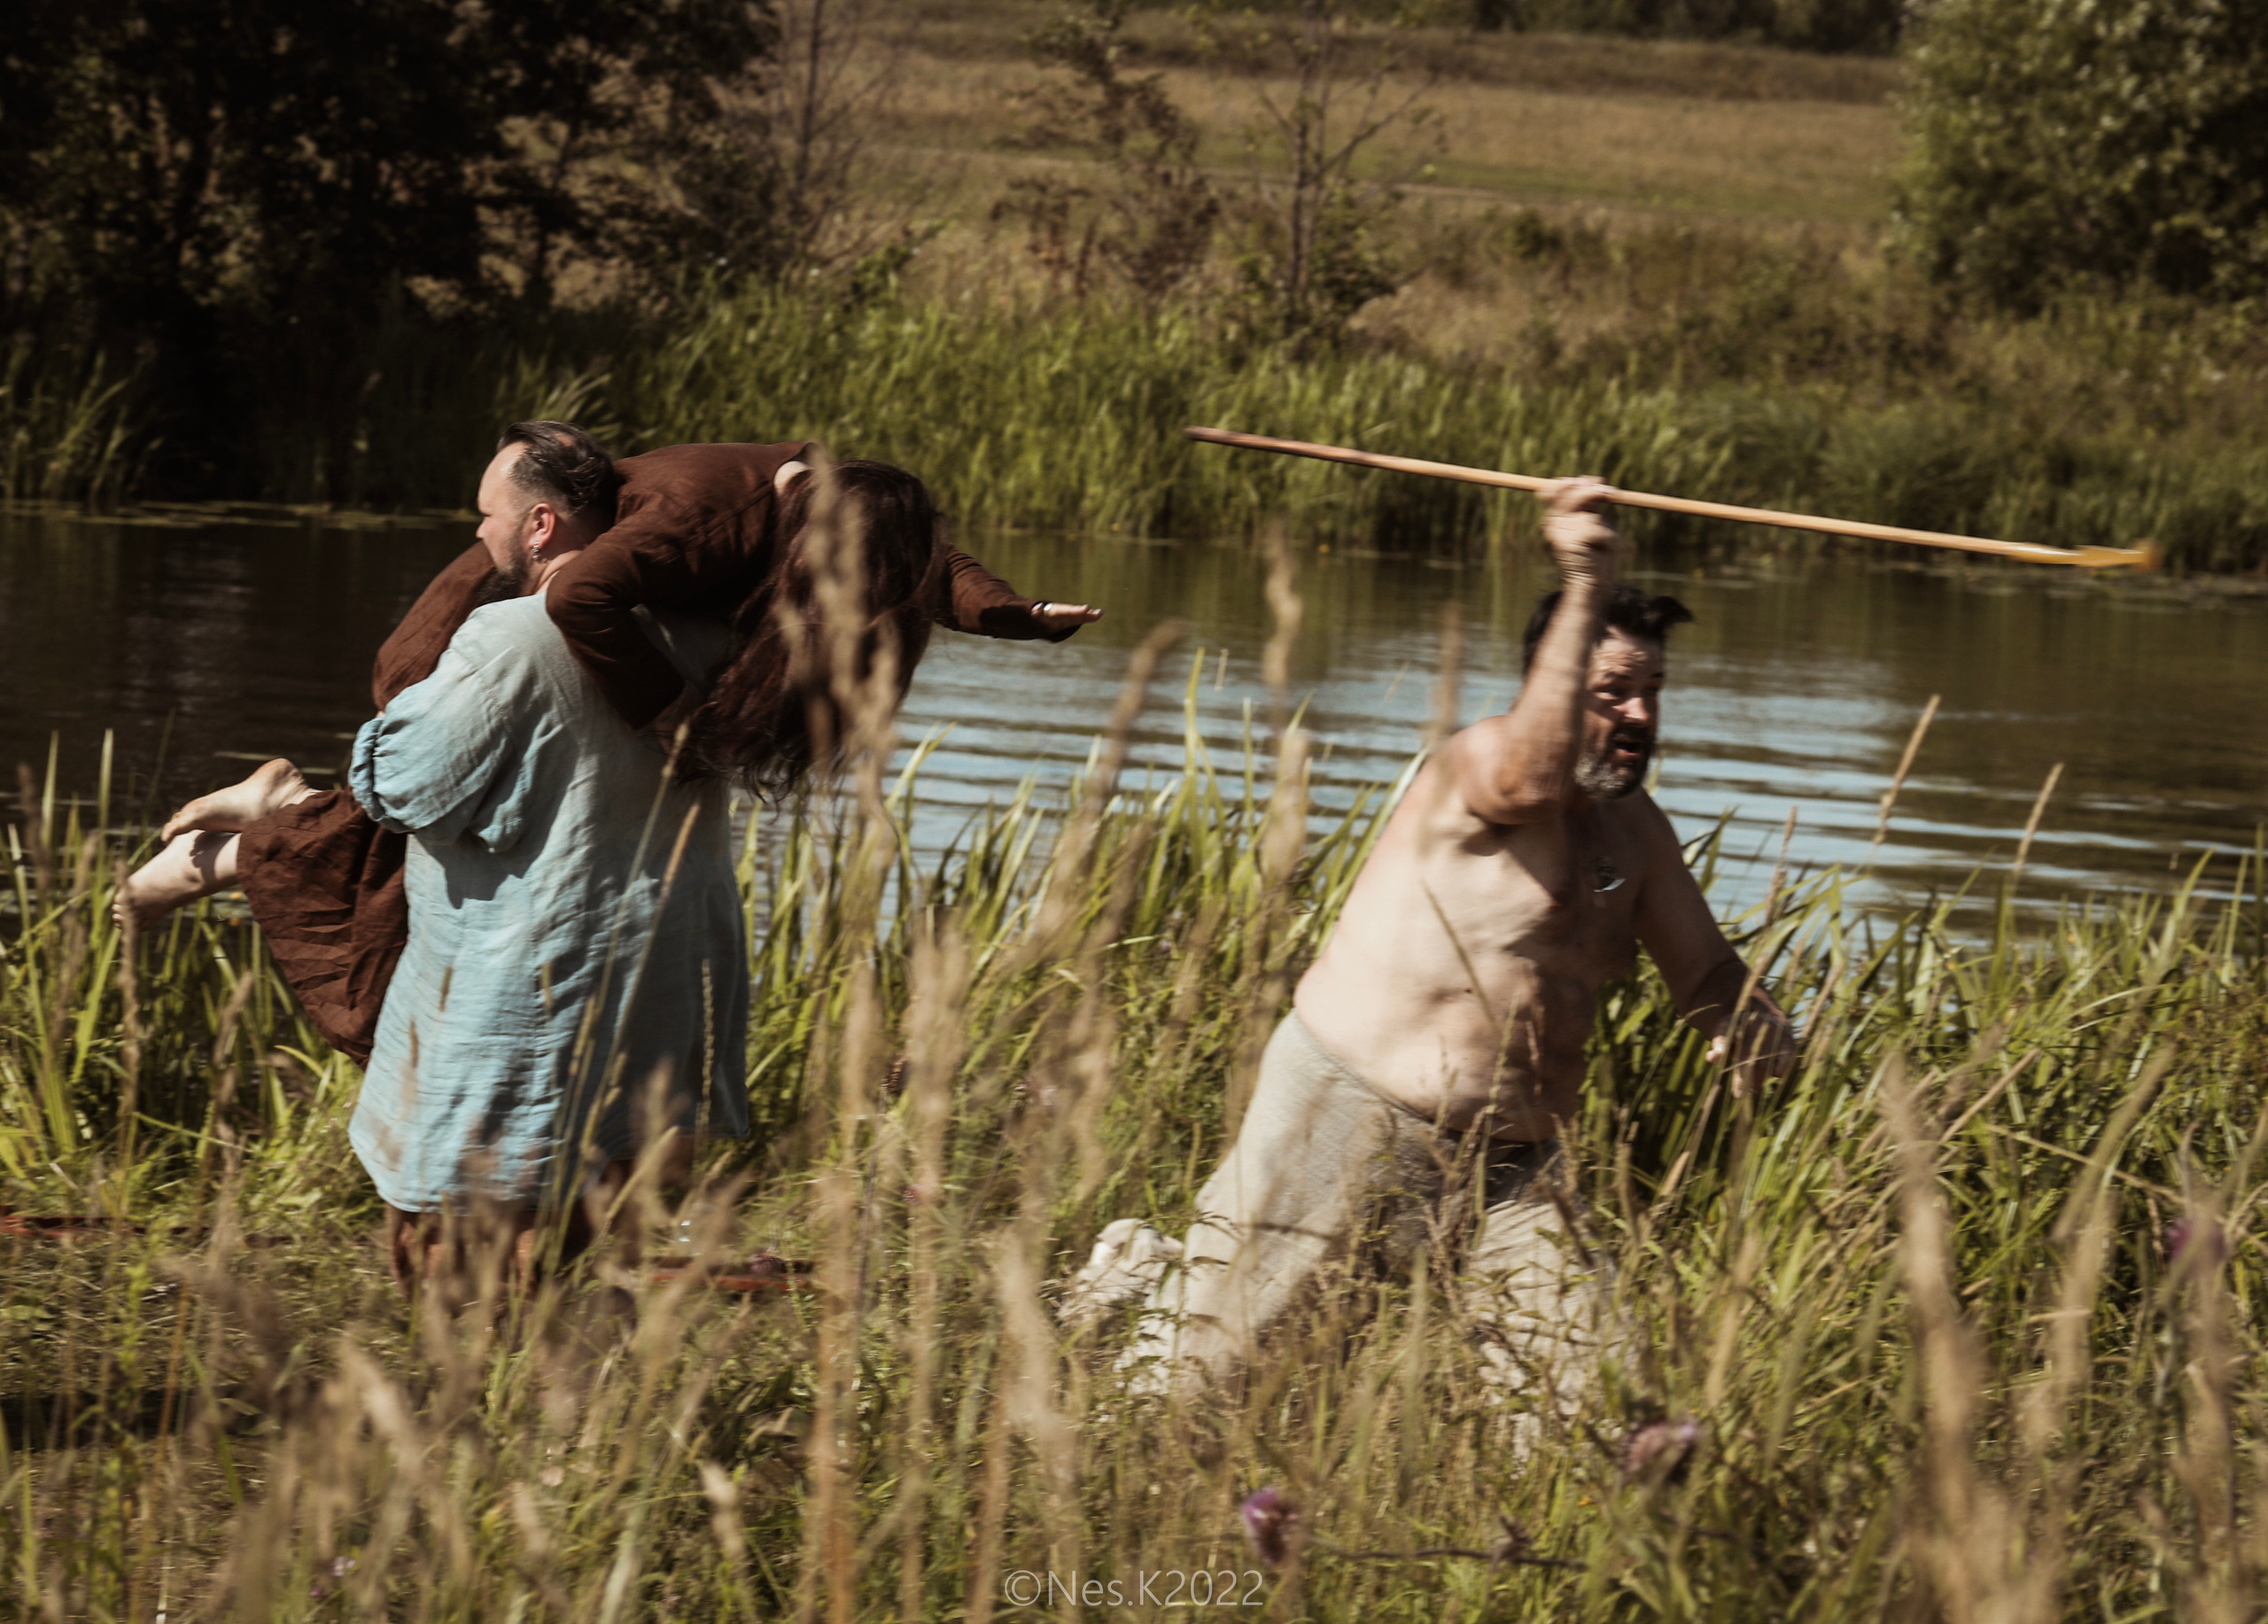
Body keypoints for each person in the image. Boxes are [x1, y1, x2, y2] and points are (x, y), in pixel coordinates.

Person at [1062, 478, 1796, 1419]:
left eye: (1652, 692)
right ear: (1553, 683)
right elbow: (1534, 774)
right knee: (1178, 1405)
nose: (1642, 717)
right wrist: (1581, 576)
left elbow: (1706, 969)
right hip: (1353, 1121)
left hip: (1519, 1172)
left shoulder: (1636, 834)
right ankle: (1136, 1278)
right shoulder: (1479, 766)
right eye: (1613, 692)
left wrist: (1752, 1021)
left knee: (1600, 1412)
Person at [118, 424, 1099, 1064]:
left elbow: (917, 562)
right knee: (410, 722)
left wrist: (1014, 613)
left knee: (439, 822)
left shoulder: (832, 499)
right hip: (479, 618)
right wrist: (666, 711)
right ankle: (277, 815)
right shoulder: (695, 526)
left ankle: (277, 812)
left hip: (568, 553)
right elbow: (583, 595)